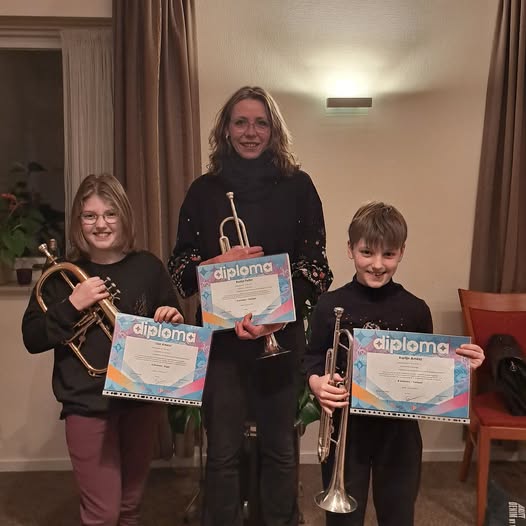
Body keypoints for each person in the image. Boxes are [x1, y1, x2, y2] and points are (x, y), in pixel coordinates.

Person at [168, 86, 333, 526]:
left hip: (279, 340)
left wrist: (273, 320)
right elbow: (179, 270)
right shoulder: (203, 191)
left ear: (273, 130)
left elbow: (317, 270)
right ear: (225, 129)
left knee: (280, 449)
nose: (250, 132)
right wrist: (213, 265)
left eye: (261, 123)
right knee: (222, 452)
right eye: (240, 122)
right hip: (222, 345)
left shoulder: (299, 187)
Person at [304, 201, 485, 526]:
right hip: (347, 433)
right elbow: (313, 357)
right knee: (343, 520)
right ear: (350, 249)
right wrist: (317, 382)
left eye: (388, 254)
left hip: (399, 436)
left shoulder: (416, 309)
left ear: (401, 252)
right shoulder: (329, 305)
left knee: (398, 514)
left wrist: (458, 370)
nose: (377, 264)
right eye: (366, 252)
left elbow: (426, 372)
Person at [22, 173, 183, 526]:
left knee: (129, 508)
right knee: (103, 513)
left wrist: (171, 317)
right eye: (90, 215)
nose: (100, 224)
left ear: (124, 217)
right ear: (78, 221)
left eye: (110, 214)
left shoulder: (148, 267)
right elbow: (32, 337)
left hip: (140, 400)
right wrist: (72, 304)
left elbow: (171, 316)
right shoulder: (62, 275)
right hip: (87, 403)